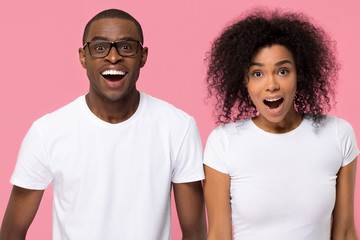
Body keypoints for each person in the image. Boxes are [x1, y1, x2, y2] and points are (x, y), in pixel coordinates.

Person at [0, 9, 206, 240]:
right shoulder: (46, 132)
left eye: (126, 47)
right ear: (82, 57)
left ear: (143, 56)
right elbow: (12, 233)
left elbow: (194, 232)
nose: (113, 57)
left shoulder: (178, 127)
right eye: (100, 48)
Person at [203, 9, 358, 240]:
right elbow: (217, 235)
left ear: (300, 74)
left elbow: (345, 232)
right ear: (243, 81)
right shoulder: (223, 142)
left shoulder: (337, 134)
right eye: (257, 73)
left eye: (282, 71)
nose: (271, 85)